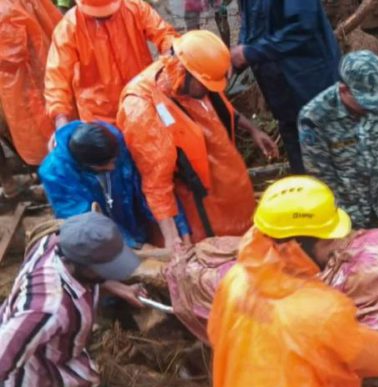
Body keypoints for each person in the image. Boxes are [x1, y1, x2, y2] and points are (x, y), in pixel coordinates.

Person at [209, 176, 378, 387]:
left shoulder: (234, 280)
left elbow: (217, 335)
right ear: (297, 246)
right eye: (328, 240)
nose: (336, 247)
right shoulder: (324, 309)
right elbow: (372, 358)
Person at [117, 30, 276, 253]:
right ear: (184, 71)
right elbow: (157, 184)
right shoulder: (142, 105)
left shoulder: (197, 81)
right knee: (219, 259)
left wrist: (253, 130)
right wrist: (174, 239)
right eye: (205, 86)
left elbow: (222, 108)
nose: (208, 92)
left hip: (232, 189)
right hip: (199, 208)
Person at [0, 212, 146, 387]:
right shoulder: (47, 308)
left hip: (38, 340)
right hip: (36, 369)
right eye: (107, 268)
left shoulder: (54, 241)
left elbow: (90, 278)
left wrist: (118, 287)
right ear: (85, 268)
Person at [299, 50, 378, 229]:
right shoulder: (315, 117)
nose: (373, 107)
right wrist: (345, 224)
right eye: (366, 102)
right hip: (342, 217)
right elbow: (322, 179)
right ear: (344, 90)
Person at [39, 121, 189, 248]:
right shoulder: (56, 174)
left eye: (114, 161)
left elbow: (147, 185)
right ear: (86, 165)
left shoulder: (114, 140)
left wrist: (178, 229)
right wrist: (133, 246)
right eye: (106, 165)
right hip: (100, 243)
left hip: (132, 222)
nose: (112, 167)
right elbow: (88, 223)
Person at [232, 0, 340, 173]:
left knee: (330, 168)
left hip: (312, 89)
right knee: (302, 173)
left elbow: (302, 28)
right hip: (282, 97)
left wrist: (250, 53)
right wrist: (234, 59)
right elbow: (249, 27)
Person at [45, 0, 178, 128]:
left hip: (144, 99)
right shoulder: (69, 27)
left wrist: (171, 53)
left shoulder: (135, 8)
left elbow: (165, 34)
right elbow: (56, 77)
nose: (103, 18)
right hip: (100, 117)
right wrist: (60, 117)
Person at [0, 0, 61, 198]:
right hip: (41, 74)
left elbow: (12, 56)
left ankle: (55, 179)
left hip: (28, 86)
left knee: (44, 136)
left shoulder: (7, 13)